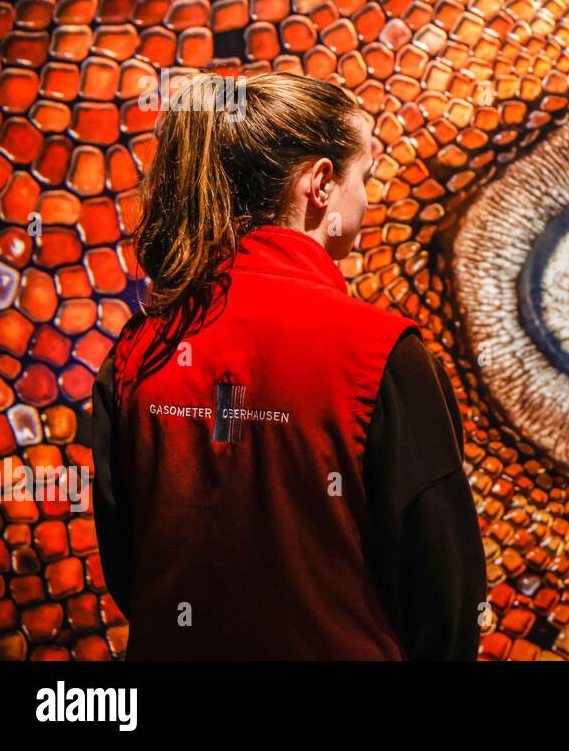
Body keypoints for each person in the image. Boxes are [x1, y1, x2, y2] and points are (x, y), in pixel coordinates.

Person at [77, 72, 487, 659]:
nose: (368, 199)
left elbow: (129, 568)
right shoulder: (383, 353)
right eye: (363, 179)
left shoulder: (138, 353)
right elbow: (446, 601)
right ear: (320, 184)